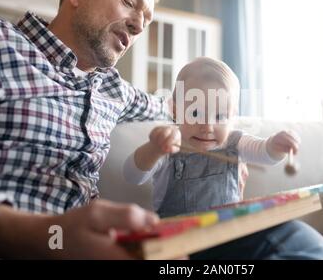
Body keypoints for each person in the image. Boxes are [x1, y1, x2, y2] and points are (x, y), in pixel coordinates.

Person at [0, 0, 323, 259]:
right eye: (129, 3)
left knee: (292, 240)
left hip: (119, 249)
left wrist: (222, 138)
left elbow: (177, 107)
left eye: (146, 20)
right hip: (18, 246)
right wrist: (44, 234)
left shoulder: (114, 90)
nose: (138, 25)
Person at [124, 57, 301, 218]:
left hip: (228, 236)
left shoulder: (235, 142)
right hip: (180, 242)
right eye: (195, 113)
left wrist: (275, 146)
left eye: (219, 117)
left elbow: (264, 153)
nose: (207, 127)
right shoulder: (169, 143)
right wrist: (154, 149)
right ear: (176, 111)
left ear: (233, 117)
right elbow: (132, 176)